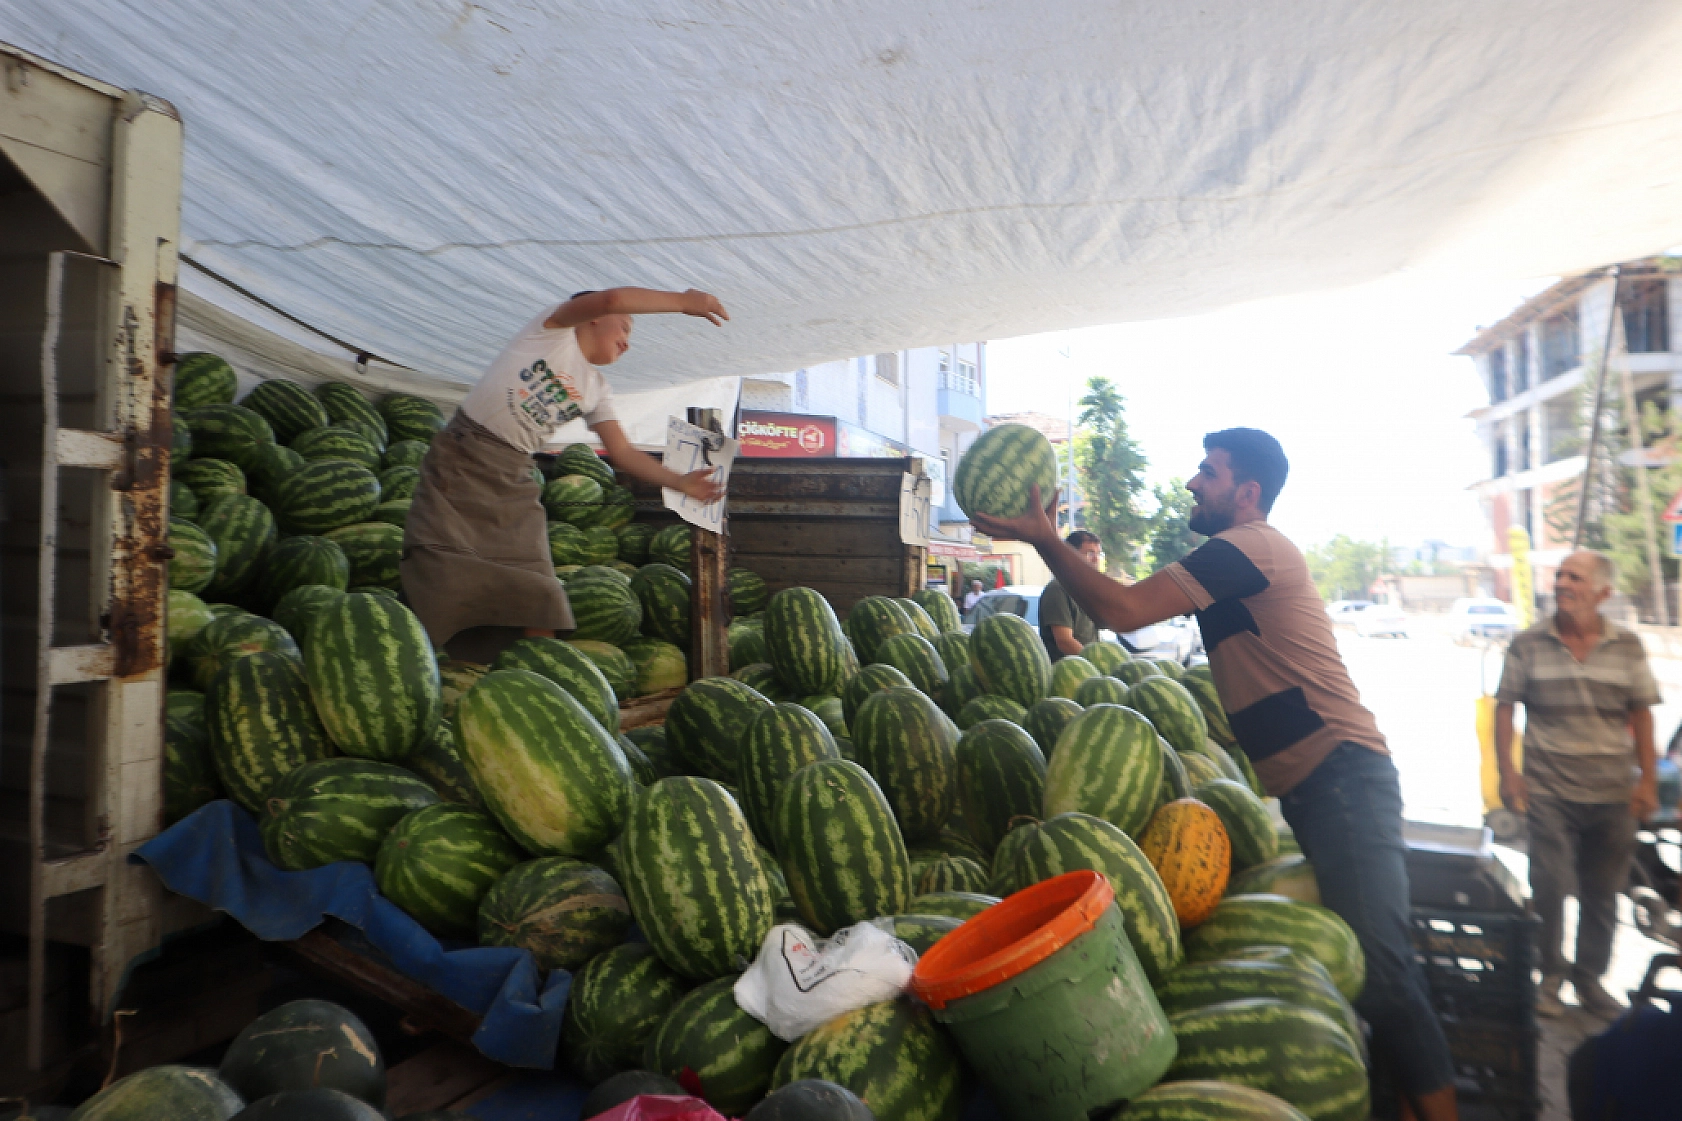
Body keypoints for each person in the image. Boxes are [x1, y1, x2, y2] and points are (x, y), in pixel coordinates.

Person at [970, 427, 1458, 1121]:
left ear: (1246, 492)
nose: (1194, 482)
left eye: (1209, 471)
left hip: (1344, 778)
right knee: (1368, 969)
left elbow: (1122, 608)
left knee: (1383, 972)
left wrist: (1046, 537)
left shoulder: (1251, 546)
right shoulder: (1232, 561)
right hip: (1319, 786)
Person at [401, 287, 728, 662]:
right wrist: (684, 303)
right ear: (591, 317)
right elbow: (612, 299)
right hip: (464, 456)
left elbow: (621, 452)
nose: (627, 342)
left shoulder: (596, 389)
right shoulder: (549, 331)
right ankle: (422, 659)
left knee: (539, 589)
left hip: (514, 475)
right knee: (440, 566)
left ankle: (539, 676)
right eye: (623, 328)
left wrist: (680, 481)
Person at [1494, 549, 1660, 1019]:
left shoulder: (1627, 645)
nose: (1563, 583)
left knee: (1602, 893)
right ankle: (1550, 975)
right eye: (1560, 574)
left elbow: (1642, 714)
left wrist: (1647, 781)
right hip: (1549, 790)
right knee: (1549, 883)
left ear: (1603, 593)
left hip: (1613, 793)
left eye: (1576, 577)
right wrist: (1509, 772)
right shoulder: (1528, 643)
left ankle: (1589, 979)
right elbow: (1505, 706)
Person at [1040, 530, 1101, 660]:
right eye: (1090, 553)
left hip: (1088, 671)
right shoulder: (1057, 590)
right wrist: (1096, 665)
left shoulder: (1087, 590)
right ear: (1071, 555)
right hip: (1068, 673)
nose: (1096, 559)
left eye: (1099, 554)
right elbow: (1064, 641)